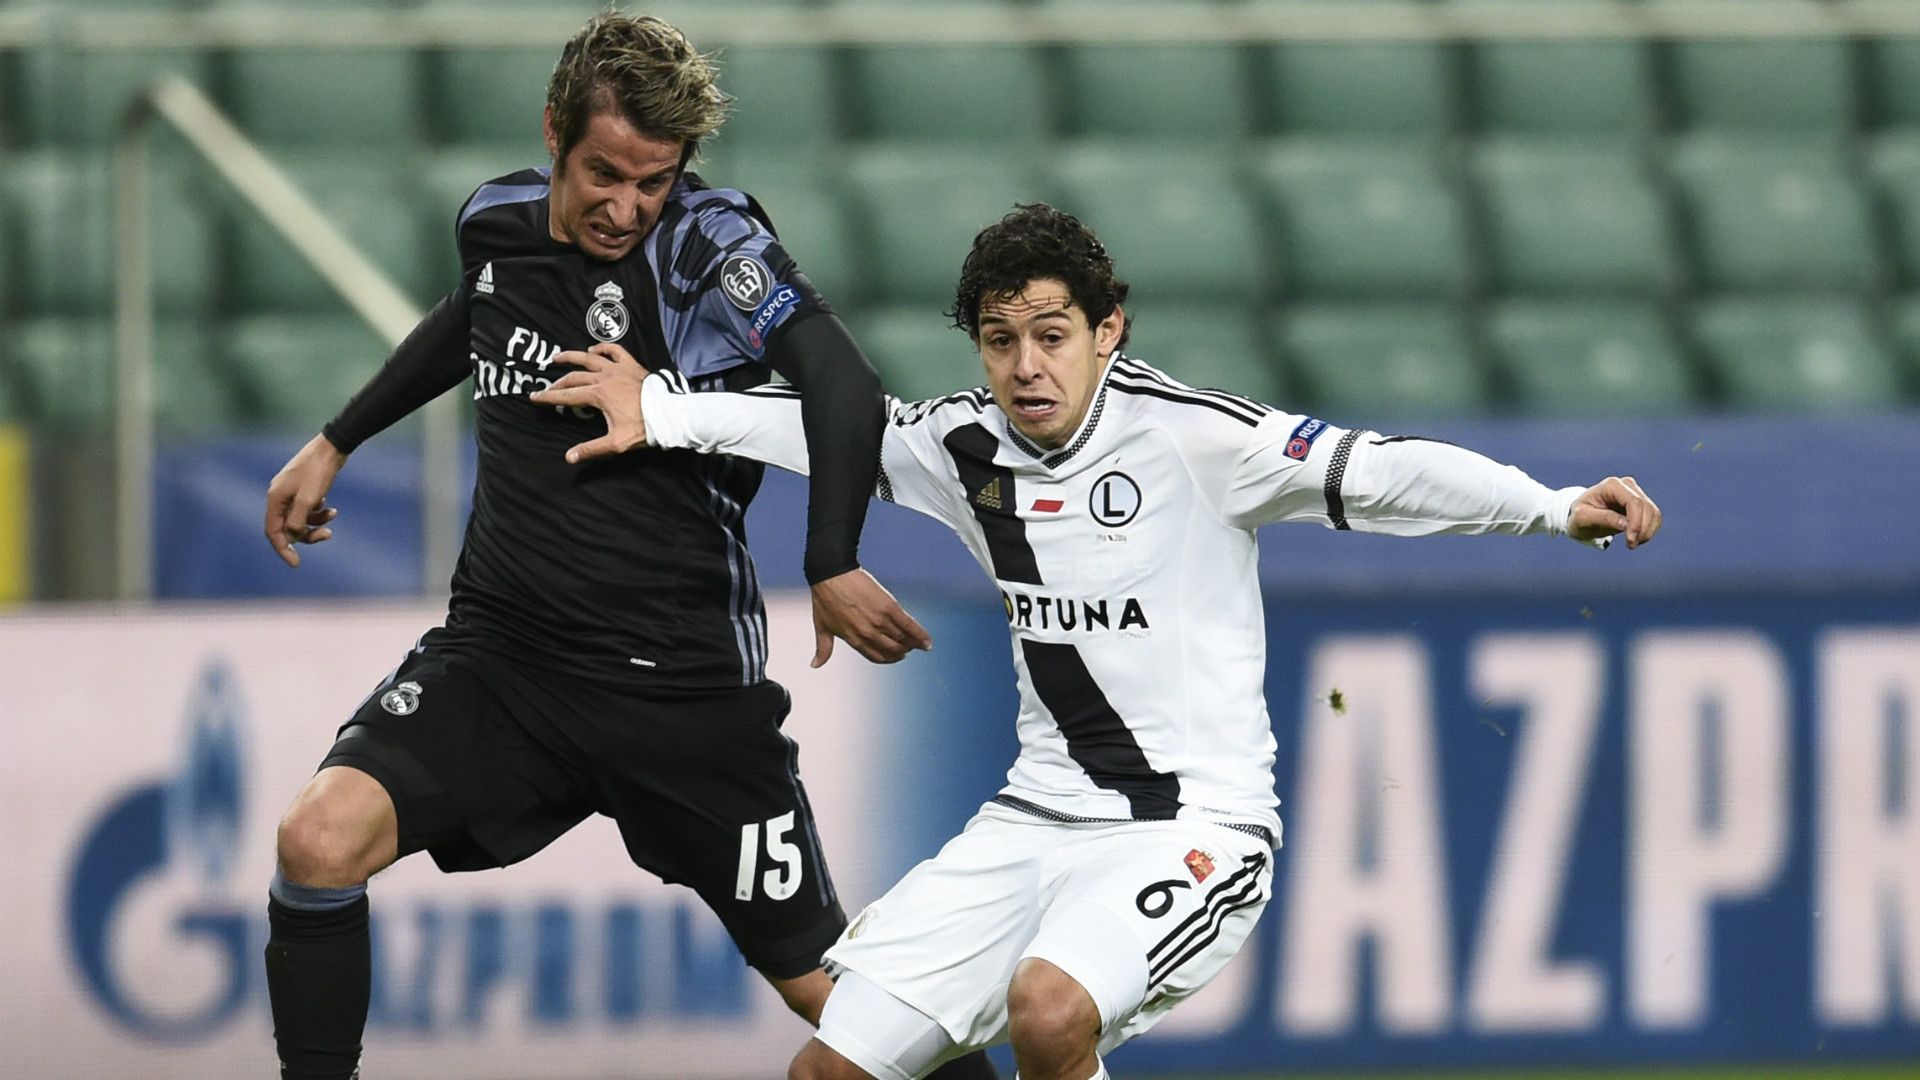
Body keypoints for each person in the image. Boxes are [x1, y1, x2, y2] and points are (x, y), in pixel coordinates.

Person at [529, 202, 1665, 1080]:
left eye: (1052, 335)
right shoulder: (964, 446)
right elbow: (834, 428)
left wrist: (1550, 503)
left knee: (1050, 1011)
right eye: (999, 339)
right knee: (830, 1065)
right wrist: (666, 409)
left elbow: (1382, 470)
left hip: (1196, 825)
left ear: (1107, 332)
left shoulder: (1195, 439)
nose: (1026, 366)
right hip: (1033, 820)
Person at [258, 12, 999, 1080]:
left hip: (681, 697)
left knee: (840, 1000)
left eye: (652, 181)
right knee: (316, 841)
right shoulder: (498, 222)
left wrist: (829, 559)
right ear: (553, 130)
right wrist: (339, 436)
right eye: (604, 173)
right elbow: (474, 317)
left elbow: (845, 385)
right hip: (504, 664)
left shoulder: (710, 248)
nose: (625, 207)